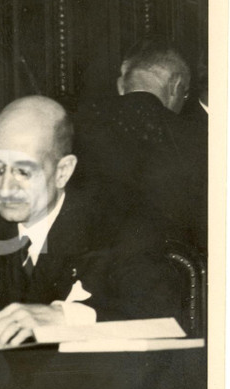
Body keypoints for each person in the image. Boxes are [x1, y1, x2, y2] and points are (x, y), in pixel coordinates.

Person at [0, 95, 182, 348]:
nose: (6, 188)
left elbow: (167, 322)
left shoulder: (120, 228)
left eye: (23, 171)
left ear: (63, 171)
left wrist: (65, 318)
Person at [74, 42, 202, 248]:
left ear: (121, 85)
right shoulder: (198, 137)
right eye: (184, 94)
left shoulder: (75, 125)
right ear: (176, 85)